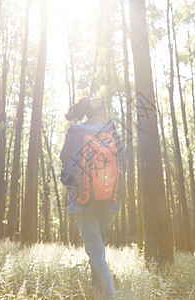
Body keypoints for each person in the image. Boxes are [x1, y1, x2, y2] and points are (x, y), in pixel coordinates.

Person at [60, 97, 125, 299]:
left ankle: (108, 296)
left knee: (96, 255)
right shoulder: (112, 133)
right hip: (111, 200)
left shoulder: (75, 132)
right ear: (103, 111)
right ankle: (99, 295)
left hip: (83, 200)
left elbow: (65, 160)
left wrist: (74, 186)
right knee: (99, 253)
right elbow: (124, 162)